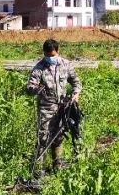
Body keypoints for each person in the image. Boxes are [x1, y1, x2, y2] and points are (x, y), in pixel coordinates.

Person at [26, 38, 81, 173]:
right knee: (43, 137)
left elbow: (76, 82)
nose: (50, 58)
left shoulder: (66, 65)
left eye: (52, 55)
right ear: (44, 53)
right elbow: (29, 87)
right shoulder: (39, 67)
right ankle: (39, 169)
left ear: (57, 51)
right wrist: (36, 89)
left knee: (59, 136)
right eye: (47, 56)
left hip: (62, 107)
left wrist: (75, 94)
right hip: (46, 108)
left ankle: (58, 166)